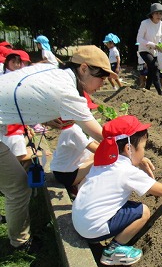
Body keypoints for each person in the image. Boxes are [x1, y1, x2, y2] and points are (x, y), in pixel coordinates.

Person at [0, 45, 119, 252]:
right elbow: (98, 134)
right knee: (18, 187)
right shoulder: (66, 91)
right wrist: (129, 145)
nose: (103, 83)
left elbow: (27, 96)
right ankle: (20, 244)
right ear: (83, 68)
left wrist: (45, 117)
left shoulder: (55, 71)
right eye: (101, 77)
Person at [72, 115, 162, 266]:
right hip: (91, 229)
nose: (144, 153)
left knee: (125, 206)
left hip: (79, 220)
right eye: (143, 148)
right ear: (129, 148)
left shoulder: (103, 162)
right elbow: (161, 190)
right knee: (143, 211)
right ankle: (113, 251)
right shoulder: (127, 171)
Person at [50, 92, 100, 199]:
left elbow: (95, 143)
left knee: (96, 157)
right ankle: (80, 189)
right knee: (101, 160)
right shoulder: (74, 131)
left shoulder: (78, 127)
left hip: (65, 169)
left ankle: (78, 185)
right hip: (65, 175)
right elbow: (97, 150)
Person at [137, 3, 162, 96]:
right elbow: (139, 39)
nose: (159, 16)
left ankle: (147, 88)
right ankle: (159, 90)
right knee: (154, 66)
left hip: (155, 51)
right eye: (157, 13)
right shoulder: (145, 23)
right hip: (144, 50)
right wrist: (153, 44)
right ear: (152, 14)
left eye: (161, 14)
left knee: (152, 68)